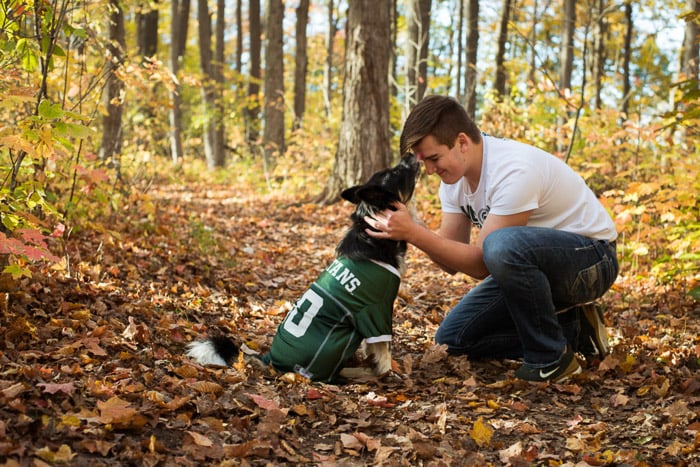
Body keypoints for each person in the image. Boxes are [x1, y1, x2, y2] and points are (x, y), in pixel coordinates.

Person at [364, 95, 619, 383]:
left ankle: (550, 358)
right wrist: (411, 222)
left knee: (500, 246)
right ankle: (571, 330)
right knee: (452, 339)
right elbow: (450, 258)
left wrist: (413, 231)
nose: (431, 170)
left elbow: (482, 263)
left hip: (592, 261)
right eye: (426, 162)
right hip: (535, 266)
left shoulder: (513, 170)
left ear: (462, 142)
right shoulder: (454, 181)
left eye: (434, 158)